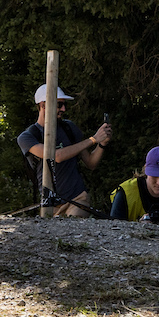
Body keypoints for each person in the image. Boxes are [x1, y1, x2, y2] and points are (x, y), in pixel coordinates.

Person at [16, 84, 112, 217]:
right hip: (50, 204)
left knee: (74, 227)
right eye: (59, 105)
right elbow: (56, 156)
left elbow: (91, 163)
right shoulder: (27, 137)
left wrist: (102, 144)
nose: (63, 109)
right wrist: (93, 139)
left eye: (64, 105)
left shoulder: (69, 128)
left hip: (78, 199)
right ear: (43, 105)